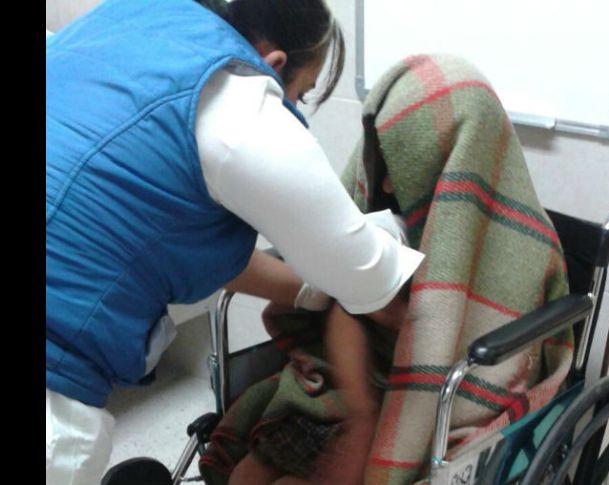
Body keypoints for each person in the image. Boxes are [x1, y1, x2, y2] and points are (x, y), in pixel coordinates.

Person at [45, 0, 424, 483]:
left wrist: (311, 293)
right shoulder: (242, 104)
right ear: (275, 65)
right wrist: (384, 242)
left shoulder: (135, 18)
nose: (293, 106)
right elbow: (369, 278)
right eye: (301, 93)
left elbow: (189, 244)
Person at [199, 53, 575, 485]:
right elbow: (346, 308)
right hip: (360, 382)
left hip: (442, 406)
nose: (385, 185)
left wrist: (422, 331)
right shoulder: (388, 228)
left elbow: (509, 359)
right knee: (245, 475)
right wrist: (362, 400)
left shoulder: (528, 245)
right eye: (383, 160)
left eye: (405, 163)